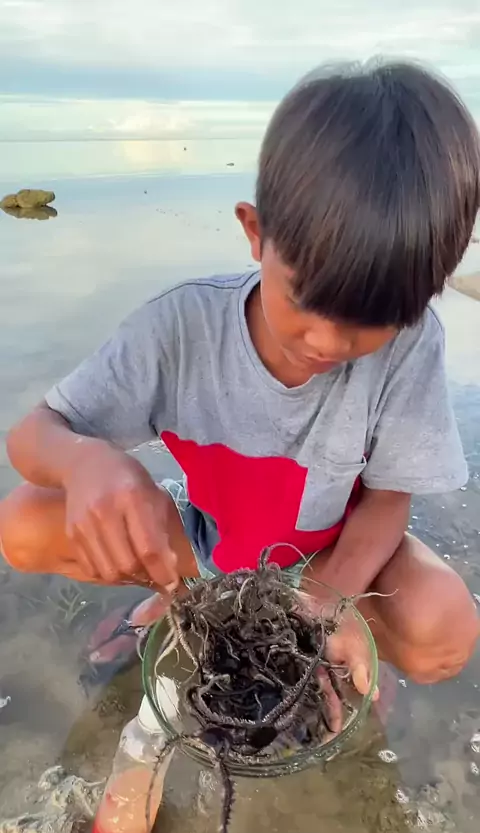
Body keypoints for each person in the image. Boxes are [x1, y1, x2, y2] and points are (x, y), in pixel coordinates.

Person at [1, 60, 479, 698]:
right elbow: (32, 435)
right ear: (256, 233)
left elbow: (389, 499)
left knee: (443, 628)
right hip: (203, 544)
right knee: (22, 522)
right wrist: (83, 461)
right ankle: (178, 601)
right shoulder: (179, 329)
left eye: (373, 321)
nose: (328, 343)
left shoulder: (412, 346)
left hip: (333, 555)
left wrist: (331, 599)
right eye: (305, 300)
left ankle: (349, 634)